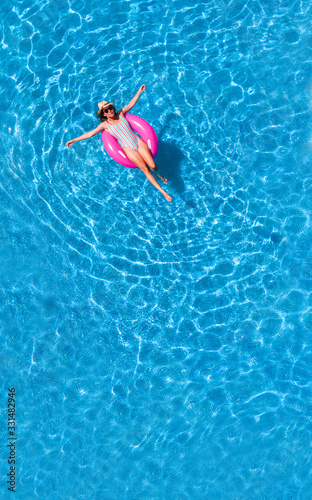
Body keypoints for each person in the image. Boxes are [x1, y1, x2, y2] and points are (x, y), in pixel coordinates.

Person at [66, 85, 172, 202]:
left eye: (110, 108)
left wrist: (139, 92)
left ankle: (159, 174)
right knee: (145, 169)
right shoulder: (105, 125)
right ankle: (164, 193)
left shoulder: (121, 113)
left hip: (138, 142)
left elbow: (131, 104)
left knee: (152, 166)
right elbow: (89, 134)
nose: (109, 111)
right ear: (103, 114)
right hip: (128, 149)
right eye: (106, 110)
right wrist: (74, 140)